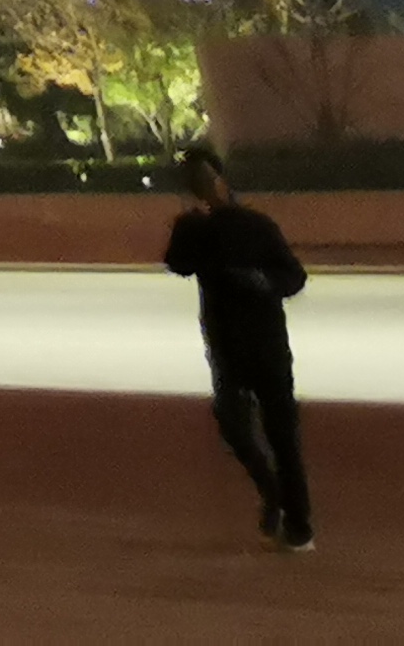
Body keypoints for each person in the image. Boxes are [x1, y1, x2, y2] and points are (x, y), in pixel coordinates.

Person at [166, 146, 314, 551]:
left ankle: (299, 525)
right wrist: (189, 222)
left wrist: (264, 282)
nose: (205, 187)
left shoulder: (257, 226)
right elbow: (177, 263)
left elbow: (294, 275)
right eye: (196, 182)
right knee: (232, 425)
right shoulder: (195, 228)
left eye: (208, 179)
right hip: (225, 345)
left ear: (222, 179)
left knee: (283, 436)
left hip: (267, 343)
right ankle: (272, 493)